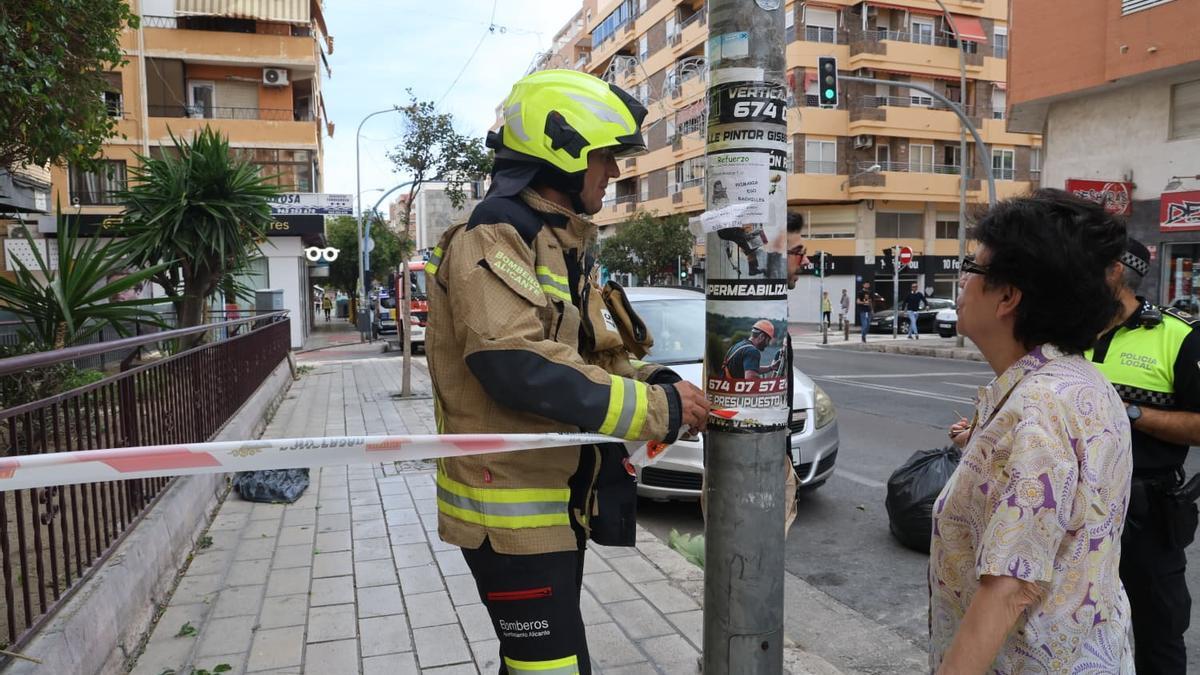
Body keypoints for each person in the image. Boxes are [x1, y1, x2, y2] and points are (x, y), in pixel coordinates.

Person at [424, 70, 710, 674]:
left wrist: (657, 381)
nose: (612, 173)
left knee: (534, 665)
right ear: (565, 151)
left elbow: (588, 355)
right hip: (507, 516)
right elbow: (516, 365)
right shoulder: (495, 236)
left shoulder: (554, 243)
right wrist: (660, 410)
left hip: (549, 508)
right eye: (605, 158)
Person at [934, 189, 1132, 673]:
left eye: (973, 267)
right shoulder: (1082, 382)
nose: (961, 281)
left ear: (1008, 296)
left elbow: (1011, 585)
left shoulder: (1040, 405)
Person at [1085, 237, 1200, 674]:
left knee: (1159, 629)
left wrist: (1130, 411)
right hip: (1073, 504)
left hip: (1146, 511)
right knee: (1063, 621)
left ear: (1114, 271)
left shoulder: (1178, 337)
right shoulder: (1066, 328)